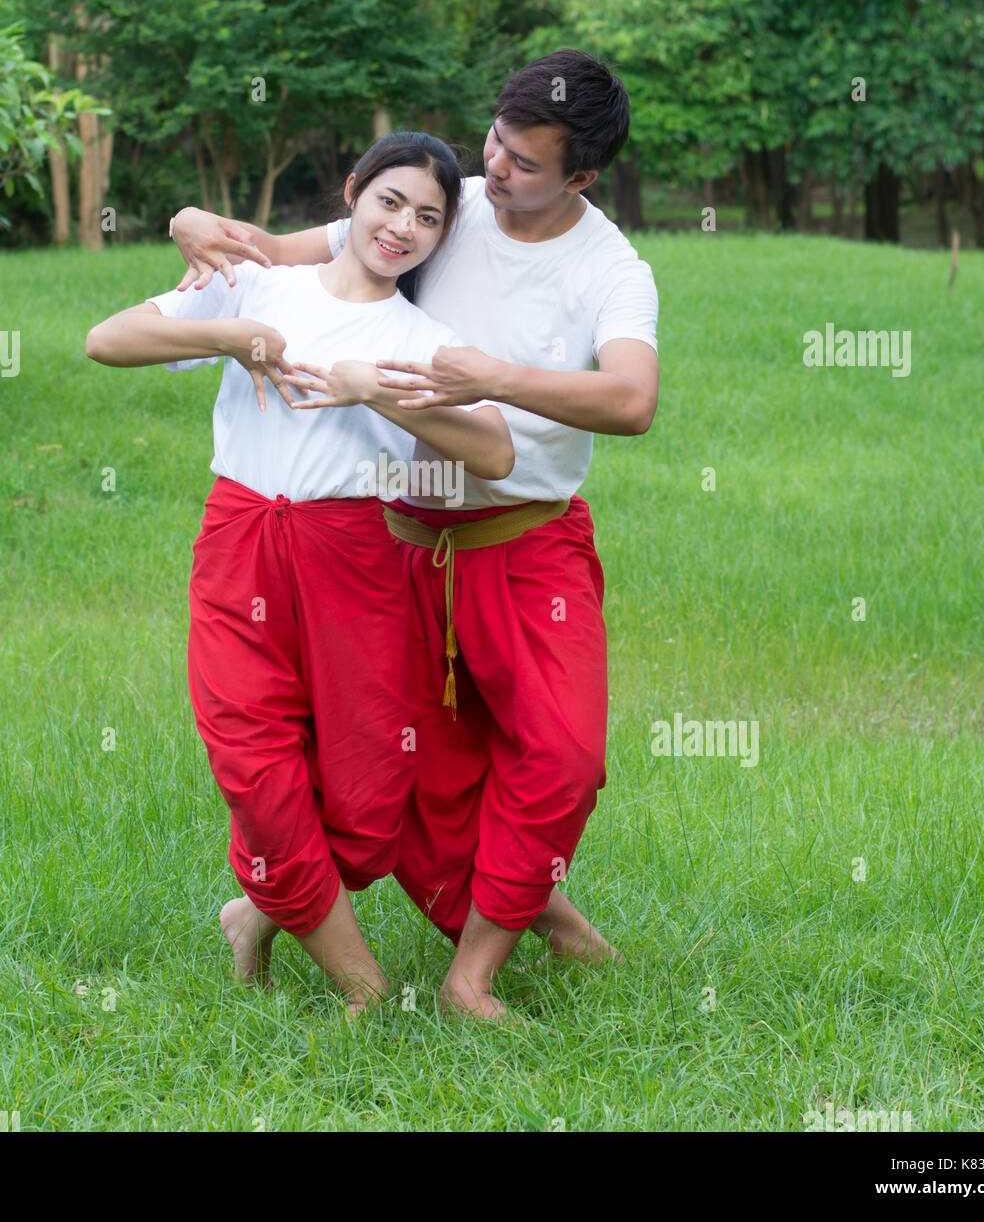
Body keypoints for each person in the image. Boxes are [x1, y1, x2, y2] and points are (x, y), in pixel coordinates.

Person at [169, 50, 660, 1020]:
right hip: (392, 543)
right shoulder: (444, 207)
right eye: (494, 142)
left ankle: (474, 972)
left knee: (562, 755)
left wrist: (494, 377)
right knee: (410, 782)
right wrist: (191, 222)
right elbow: (278, 250)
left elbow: (632, 399)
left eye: (523, 160)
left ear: (582, 176)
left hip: (524, 542)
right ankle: (439, 928)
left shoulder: (609, 268)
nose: (495, 170)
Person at [86, 132, 515, 1015]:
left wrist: (376, 391)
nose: (402, 226)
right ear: (353, 194)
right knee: (255, 765)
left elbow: (497, 452)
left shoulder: (422, 341)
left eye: (428, 218)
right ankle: (363, 986)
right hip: (241, 539)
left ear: (439, 239)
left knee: (364, 807)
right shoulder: (260, 285)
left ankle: (255, 911)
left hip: (353, 559)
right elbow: (107, 339)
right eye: (390, 201)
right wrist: (233, 334)